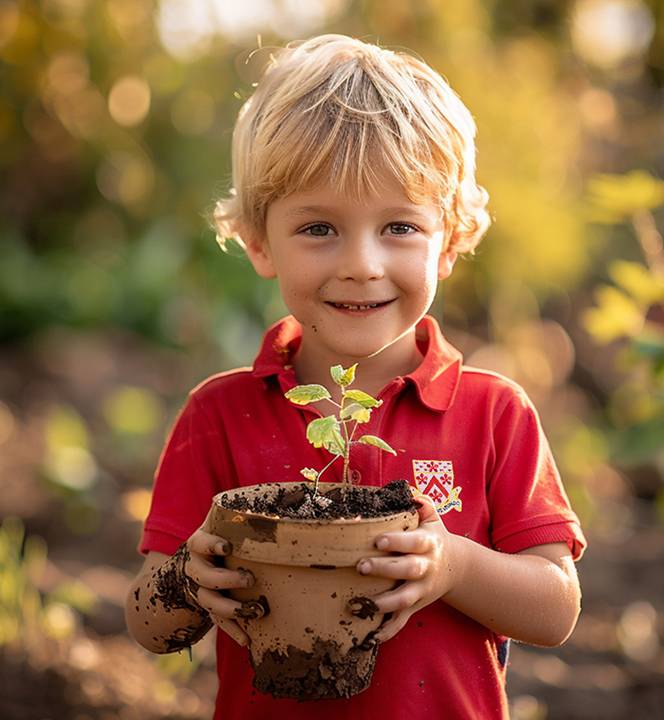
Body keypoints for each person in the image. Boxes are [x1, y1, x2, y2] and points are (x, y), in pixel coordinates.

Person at [125, 34, 586, 719]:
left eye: (399, 226)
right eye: (318, 229)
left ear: (451, 240)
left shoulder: (494, 413)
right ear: (258, 241)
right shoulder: (218, 414)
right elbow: (147, 625)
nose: (362, 264)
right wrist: (190, 583)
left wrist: (453, 566)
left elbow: (556, 608)